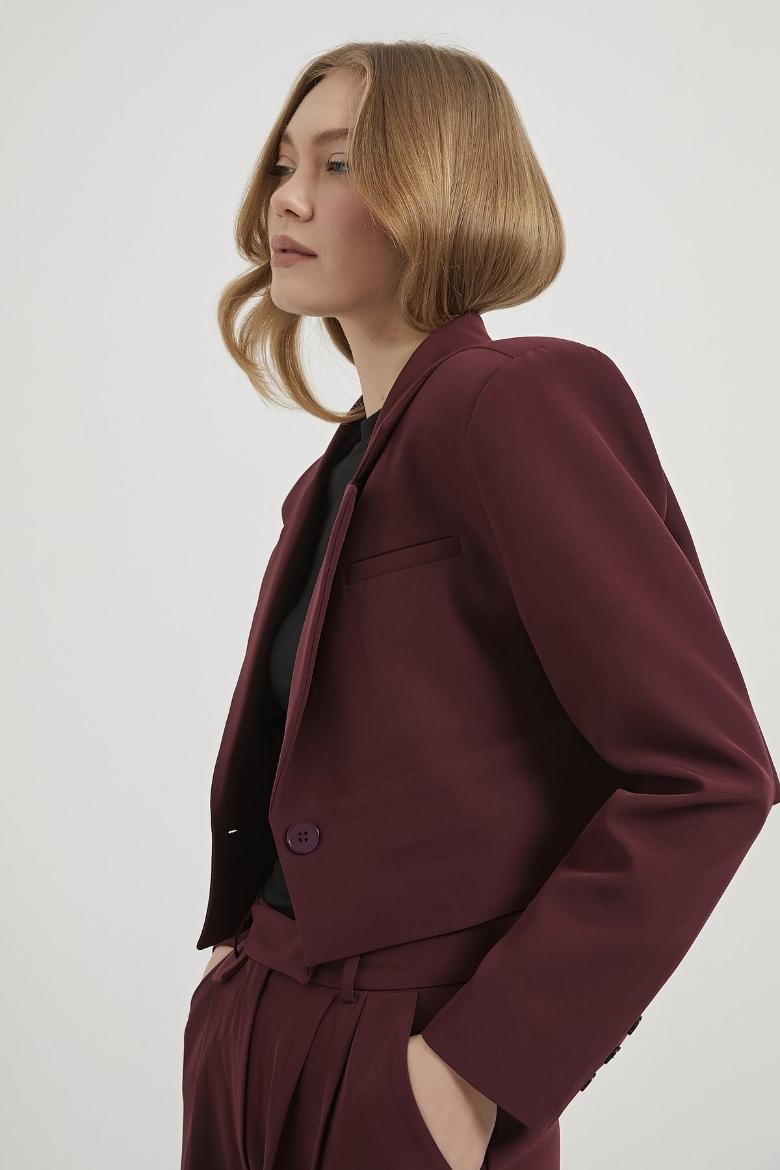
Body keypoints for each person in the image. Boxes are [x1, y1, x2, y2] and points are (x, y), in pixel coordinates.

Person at [180, 40, 778, 1170]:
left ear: (440, 189)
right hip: (256, 1026)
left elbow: (709, 774)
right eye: (283, 164)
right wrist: (241, 976)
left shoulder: (514, 401)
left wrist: (480, 1068)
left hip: (402, 1058)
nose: (288, 200)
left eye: (340, 165)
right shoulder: (332, 478)